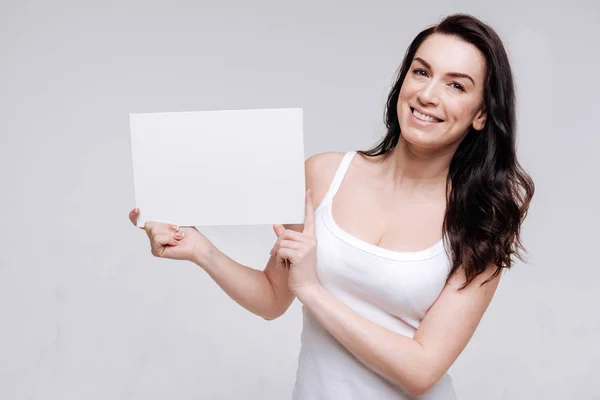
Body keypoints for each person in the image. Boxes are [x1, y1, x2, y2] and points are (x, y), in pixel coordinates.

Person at [128, 13, 534, 400]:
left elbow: (421, 370)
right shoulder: (324, 175)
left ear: (481, 114)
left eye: (456, 85)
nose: (427, 95)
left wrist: (311, 290)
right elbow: (272, 297)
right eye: (421, 71)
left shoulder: (481, 223)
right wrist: (200, 248)